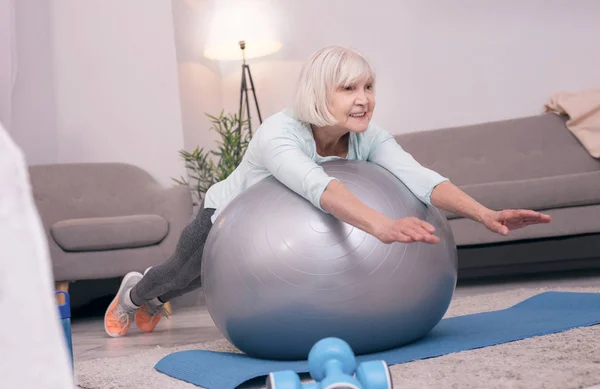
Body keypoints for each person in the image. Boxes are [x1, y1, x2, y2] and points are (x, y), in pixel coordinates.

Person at [104, 45, 551, 337]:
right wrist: (381, 225)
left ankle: (153, 297)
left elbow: (420, 177)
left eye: (369, 87)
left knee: (200, 280)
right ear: (321, 93)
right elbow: (318, 186)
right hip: (226, 218)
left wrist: (485, 213)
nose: (364, 99)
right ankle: (135, 294)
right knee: (182, 276)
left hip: (279, 243)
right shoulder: (279, 134)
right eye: (349, 88)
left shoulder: (368, 136)